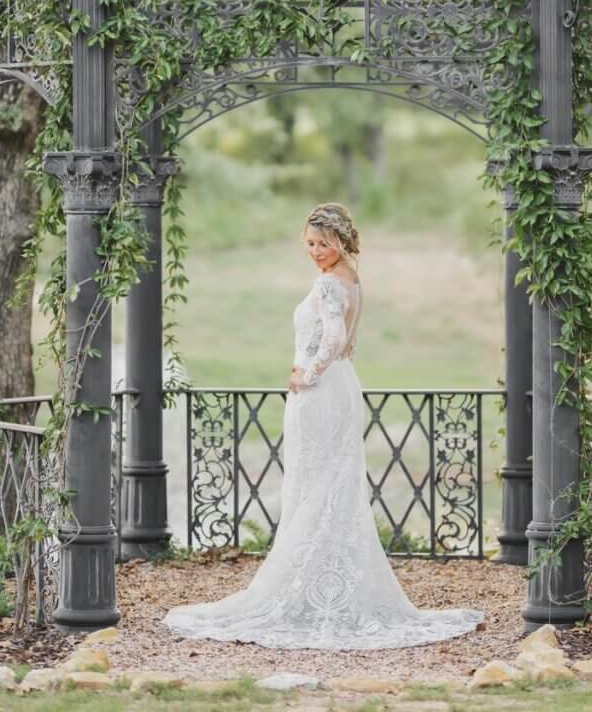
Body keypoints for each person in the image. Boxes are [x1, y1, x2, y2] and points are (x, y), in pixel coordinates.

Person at [162, 202, 484, 649]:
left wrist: (306, 374)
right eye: (309, 244)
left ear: (340, 240)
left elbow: (334, 338)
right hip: (342, 387)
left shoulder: (330, 284)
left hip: (320, 393)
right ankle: (328, 584)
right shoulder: (352, 277)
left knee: (317, 483)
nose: (315, 251)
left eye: (322, 243)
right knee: (330, 483)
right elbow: (347, 344)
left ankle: (309, 589)